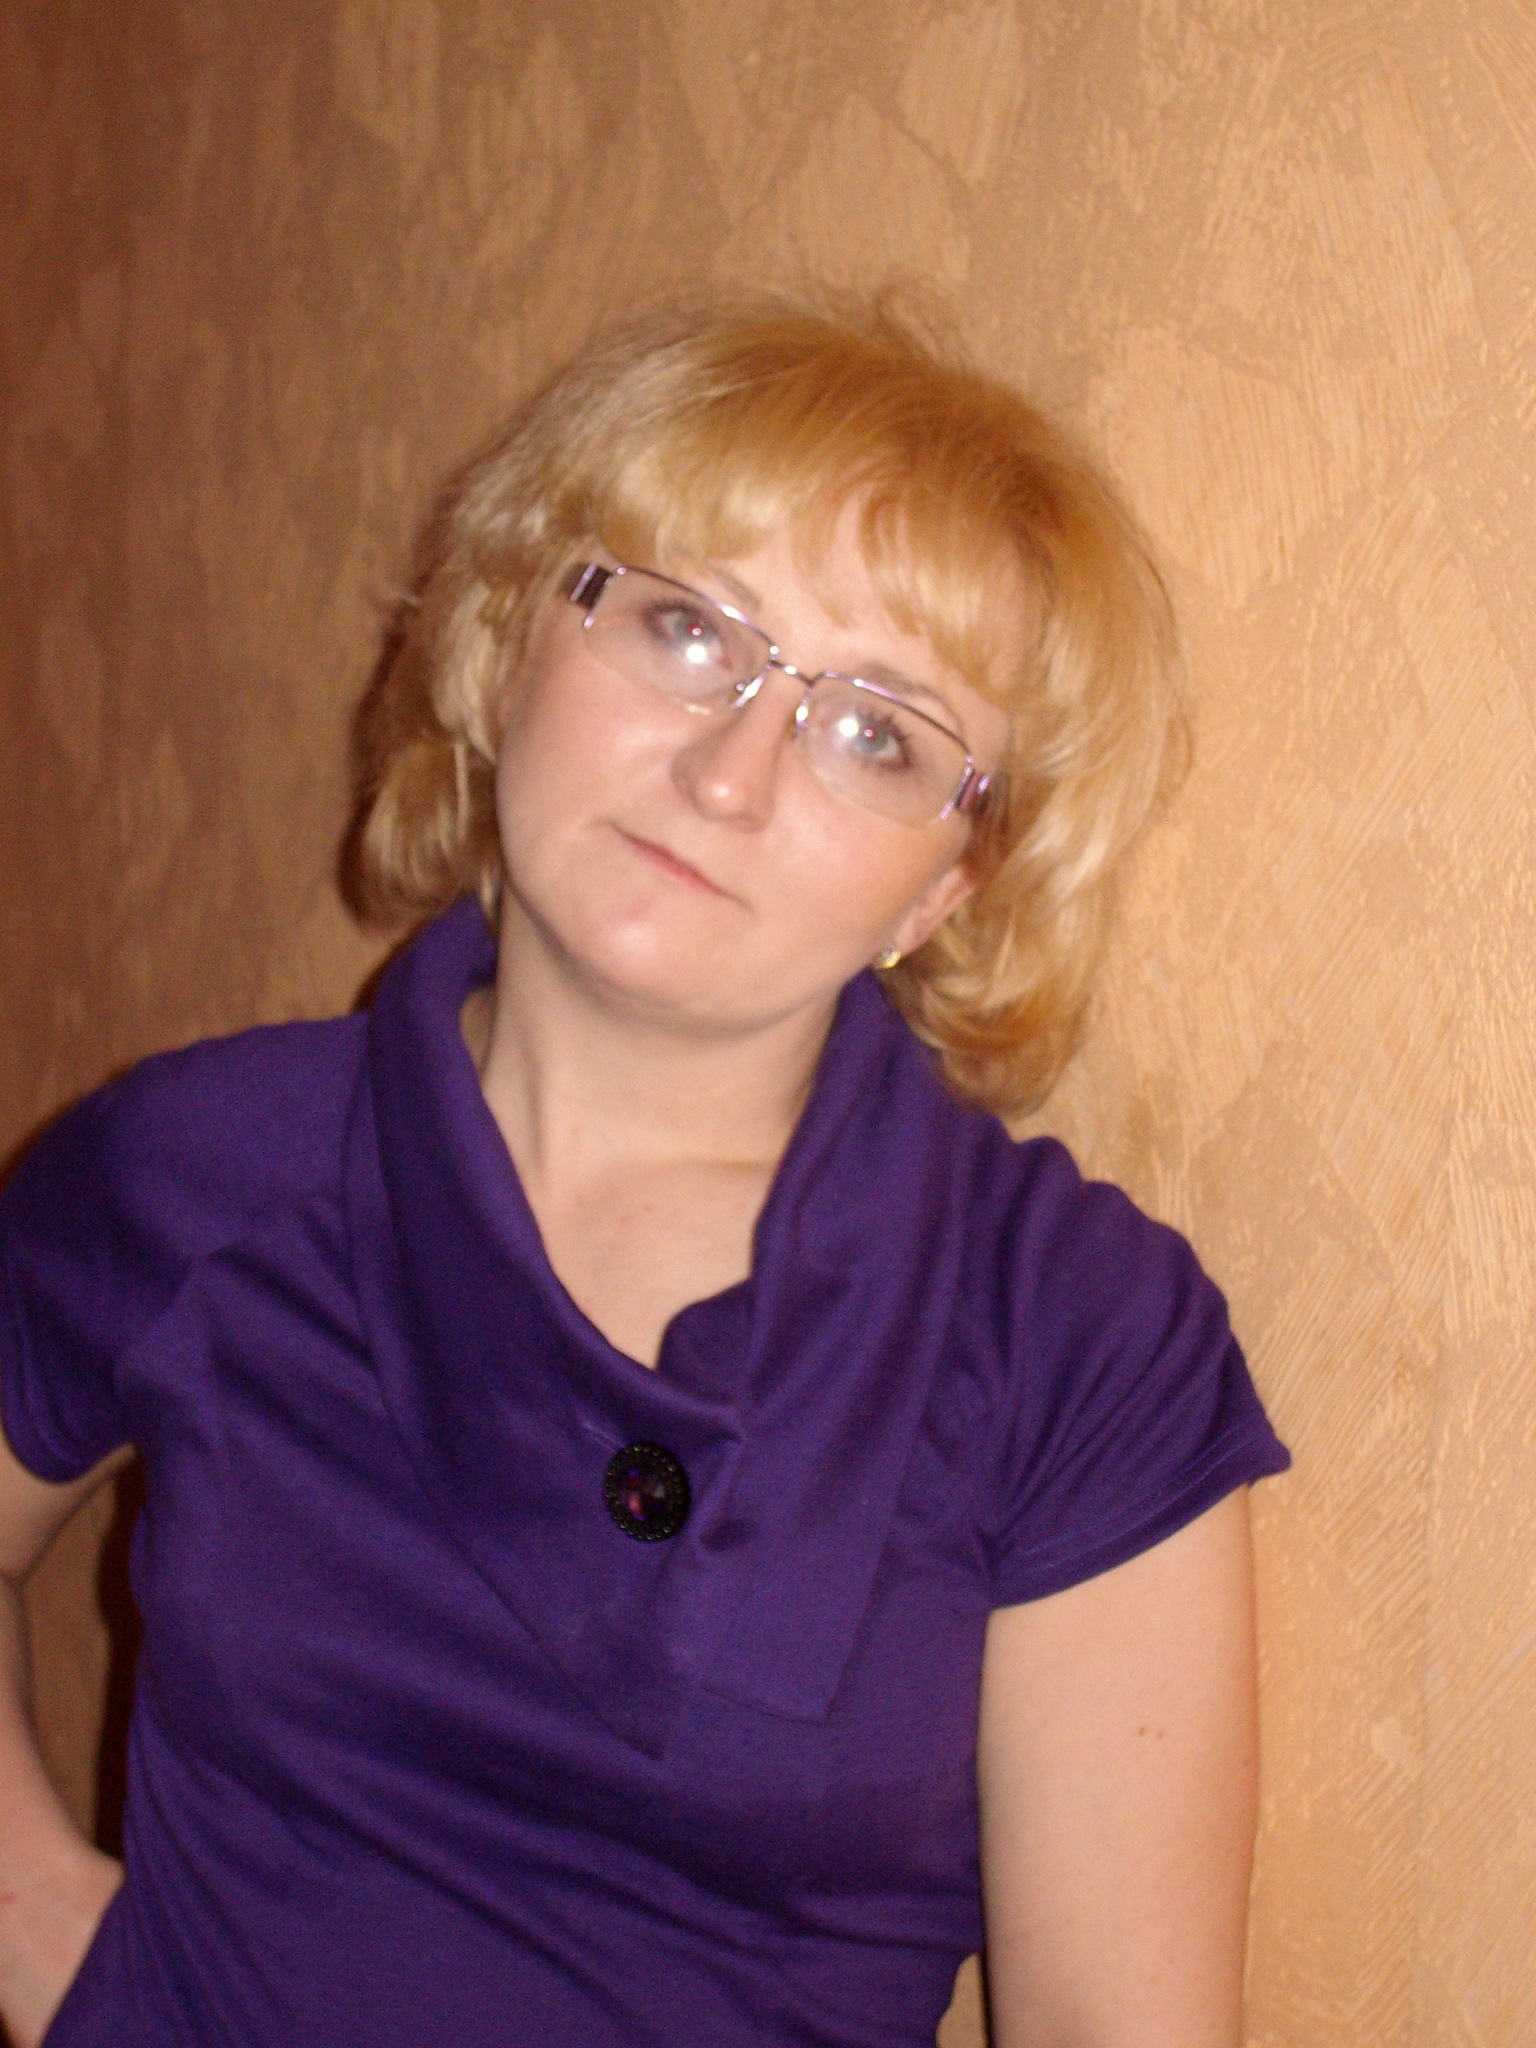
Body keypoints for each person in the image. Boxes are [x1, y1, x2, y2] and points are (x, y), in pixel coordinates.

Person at [0, 299, 1289, 2048]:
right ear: (508, 641)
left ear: (944, 890)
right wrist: (62, 1944)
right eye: (688, 629)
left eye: (878, 734)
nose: (729, 773)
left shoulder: (1079, 1338)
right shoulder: (200, 1173)